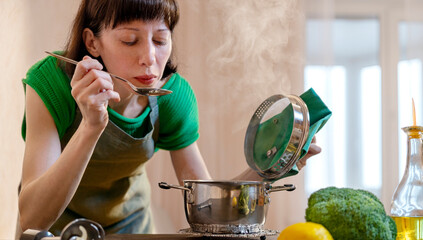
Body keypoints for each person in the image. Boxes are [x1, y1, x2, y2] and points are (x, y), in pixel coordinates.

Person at [18, 0, 321, 235]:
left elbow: (207, 205)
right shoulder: (51, 85)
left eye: (160, 41)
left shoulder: (174, 98)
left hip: (130, 229)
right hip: (53, 230)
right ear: (92, 42)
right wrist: (91, 126)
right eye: (129, 40)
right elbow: (32, 216)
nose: (149, 57)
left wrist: (269, 167)